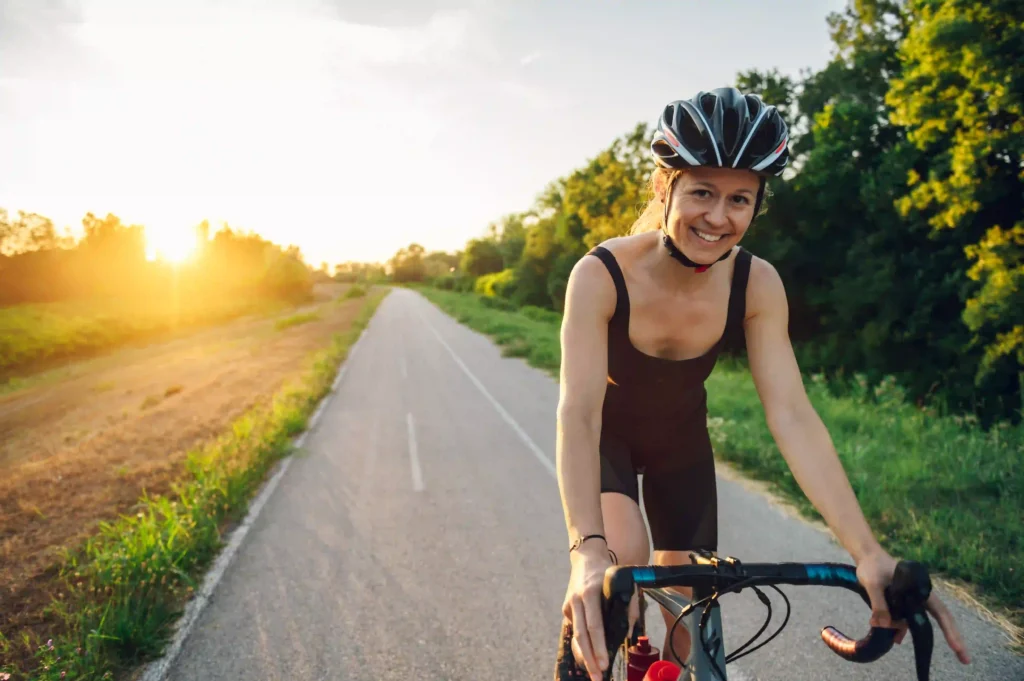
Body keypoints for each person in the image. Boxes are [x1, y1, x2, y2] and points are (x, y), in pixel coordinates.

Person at [555, 87, 971, 680]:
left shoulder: (756, 284)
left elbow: (793, 416)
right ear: (662, 186)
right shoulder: (601, 273)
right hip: (607, 444)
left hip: (682, 450)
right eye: (702, 191)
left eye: (739, 198)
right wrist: (587, 552)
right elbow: (578, 415)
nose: (718, 217)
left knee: (691, 623)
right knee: (618, 570)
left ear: (757, 204)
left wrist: (867, 552)